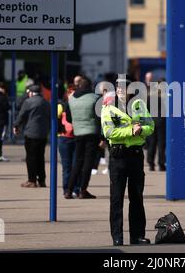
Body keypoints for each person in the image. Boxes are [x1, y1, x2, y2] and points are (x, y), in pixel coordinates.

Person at [101, 74, 154, 246]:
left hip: (136, 156)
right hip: (118, 156)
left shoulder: (139, 105)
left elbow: (150, 127)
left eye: (124, 87)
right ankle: (117, 236)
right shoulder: (108, 108)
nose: (121, 90)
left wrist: (141, 130)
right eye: (118, 87)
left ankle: (137, 235)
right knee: (116, 198)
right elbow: (109, 133)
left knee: (137, 197)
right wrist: (132, 131)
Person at [65, 76, 100, 199]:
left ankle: (69, 190)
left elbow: (69, 118)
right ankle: (83, 190)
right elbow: (99, 118)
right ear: (90, 86)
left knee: (77, 162)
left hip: (78, 133)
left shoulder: (71, 99)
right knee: (88, 163)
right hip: (92, 134)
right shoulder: (95, 98)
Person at [13, 84, 51, 188]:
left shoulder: (28, 102)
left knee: (31, 157)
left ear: (31, 93)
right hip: (43, 134)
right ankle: (42, 180)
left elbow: (21, 115)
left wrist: (16, 125)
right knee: (40, 157)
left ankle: (32, 180)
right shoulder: (46, 103)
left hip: (31, 133)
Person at [58, 84, 79, 197]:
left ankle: (76, 188)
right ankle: (67, 189)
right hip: (64, 138)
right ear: (67, 93)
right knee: (67, 167)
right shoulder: (62, 105)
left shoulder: (79, 106)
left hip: (76, 138)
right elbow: (55, 118)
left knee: (76, 165)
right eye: (71, 93)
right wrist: (59, 129)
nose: (73, 95)